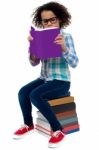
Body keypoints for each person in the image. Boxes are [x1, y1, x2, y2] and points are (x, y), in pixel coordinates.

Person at [13, 1, 79, 148]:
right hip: (44, 79)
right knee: (23, 92)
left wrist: (63, 48)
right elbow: (34, 63)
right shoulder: (40, 37)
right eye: (45, 21)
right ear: (41, 22)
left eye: (52, 19)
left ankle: (58, 130)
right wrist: (33, 48)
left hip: (61, 81)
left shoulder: (66, 37)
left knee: (35, 95)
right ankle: (28, 124)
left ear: (60, 19)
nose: (49, 23)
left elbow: (75, 63)